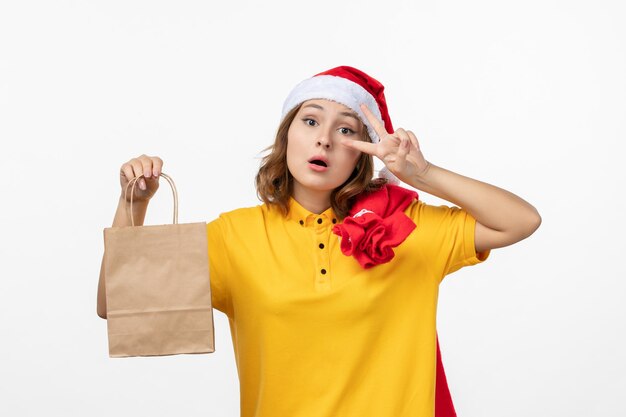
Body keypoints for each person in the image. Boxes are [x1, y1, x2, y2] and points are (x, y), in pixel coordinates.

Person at [97, 66, 541, 417]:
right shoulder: (235, 236)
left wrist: (421, 174)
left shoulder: (407, 228)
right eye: (310, 121)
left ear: (363, 151)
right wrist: (132, 204)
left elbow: (520, 221)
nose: (325, 138)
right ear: (287, 135)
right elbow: (118, 303)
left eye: (347, 130)